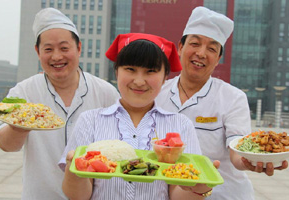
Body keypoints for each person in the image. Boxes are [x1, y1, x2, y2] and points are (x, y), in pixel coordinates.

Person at [60, 33, 214, 199]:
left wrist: (200, 188)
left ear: (165, 77)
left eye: (150, 71)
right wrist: (73, 169)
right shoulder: (90, 121)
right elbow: (78, 196)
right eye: (130, 69)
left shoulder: (180, 124)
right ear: (116, 72)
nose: (139, 81)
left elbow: (179, 195)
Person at [156, 6, 288, 200]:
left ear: (218, 59)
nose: (201, 53)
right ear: (180, 47)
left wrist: (251, 161)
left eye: (211, 48)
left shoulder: (232, 98)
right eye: (195, 43)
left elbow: (237, 150)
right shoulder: (158, 93)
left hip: (223, 195)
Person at [0, 8, 120, 200]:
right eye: (48, 49)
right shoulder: (24, 92)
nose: (56, 57)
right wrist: (20, 125)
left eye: (64, 48)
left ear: (78, 48)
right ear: (37, 51)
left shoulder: (105, 92)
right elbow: (6, 145)